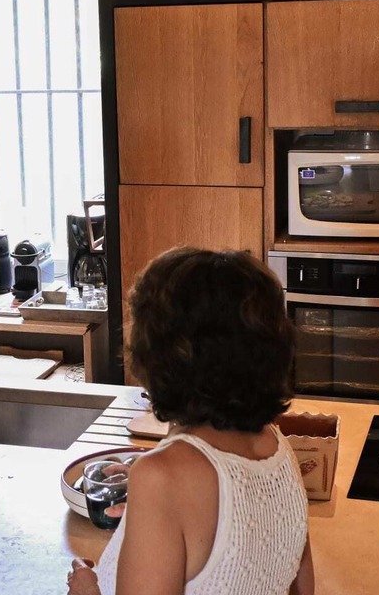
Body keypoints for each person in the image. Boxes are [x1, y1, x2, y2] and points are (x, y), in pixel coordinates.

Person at [67, 248, 315, 595]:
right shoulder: (277, 446)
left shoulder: (162, 479)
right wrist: (154, 491)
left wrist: (86, 593)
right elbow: (300, 584)